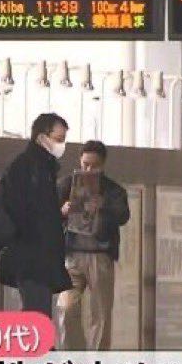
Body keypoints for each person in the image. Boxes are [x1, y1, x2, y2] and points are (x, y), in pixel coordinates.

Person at [54, 141, 130, 350]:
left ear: (102, 165)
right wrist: (62, 211)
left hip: (100, 254)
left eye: (94, 166)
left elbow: (123, 216)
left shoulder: (113, 190)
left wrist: (103, 205)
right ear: (79, 160)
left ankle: (97, 361)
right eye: (85, 164)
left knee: (101, 315)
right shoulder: (66, 185)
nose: (88, 170)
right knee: (66, 306)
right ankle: (75, 355)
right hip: (72, 255)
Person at [0, 113, 73, 317]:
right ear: (42, 138)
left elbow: (41, 211)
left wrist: (59, 215)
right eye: (58, 139)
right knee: (37, 315)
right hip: (32, 256)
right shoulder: (29, 167)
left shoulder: (43, 167)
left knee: (38, 313)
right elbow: (25, 210)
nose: (62, 145)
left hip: (39, 257)